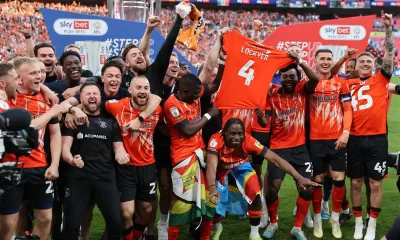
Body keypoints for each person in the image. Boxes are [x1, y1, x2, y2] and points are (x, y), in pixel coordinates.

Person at [206, 118, 319, 240]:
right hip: (220, 169)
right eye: (232, 133)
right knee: (214, 201)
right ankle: (217, 226)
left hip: (240, 166)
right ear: (224, 133)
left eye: (240, 134)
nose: (237, 137)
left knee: (255, 190)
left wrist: (299, 177)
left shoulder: (249, 140)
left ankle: (254, 234)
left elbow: (276, 159)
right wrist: (212, 187)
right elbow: (211, 165)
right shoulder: (215, 140)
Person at [0, 57, 62, 240]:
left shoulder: (47, 98)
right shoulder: (7, 97)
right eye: (33, 73)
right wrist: (54, 109)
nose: (40, 76)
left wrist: (55, 164)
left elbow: (56, 133)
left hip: (39, 166)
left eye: (41, 72)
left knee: (45, 218)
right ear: (18, 77)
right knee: (9, 222)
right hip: (10, 167)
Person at [258, 59, 320, 240]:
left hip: (300, 148)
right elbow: (265, 122)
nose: (288, 80)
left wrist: (300, 61)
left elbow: (314, 78)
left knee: (307, 188)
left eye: (292, 76)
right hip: (278, 149)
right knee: (271, 190)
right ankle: (273, 222)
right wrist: (260, 116)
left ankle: (297, 227)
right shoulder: (273, 95)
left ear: (298, 78)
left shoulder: (302, 90)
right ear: (280, 78)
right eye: (285, 77)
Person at [346, 11, 394, 240]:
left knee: (375, 183)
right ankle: (358, 222)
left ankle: (371, 225)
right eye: (362, 62)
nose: (365, 64)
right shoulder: (348, 85)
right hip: (354, 139)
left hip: (377, 139)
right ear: (355, 67)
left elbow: (390, 55)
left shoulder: (381, 79)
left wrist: (387, 30)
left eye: (369, 62)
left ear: (374, 66)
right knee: (355, 183)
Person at [61, 82, 127, 240]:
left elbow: (118, 148)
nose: (92, 96)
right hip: (78, 179)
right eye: (88, 94)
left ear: (100, 98)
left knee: (116, 225)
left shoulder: (111, 122)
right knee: (71, 226)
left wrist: (122, 155)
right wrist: (72, 161)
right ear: (81, 98)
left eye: (95, 94)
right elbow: (64, 150)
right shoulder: (72, 121)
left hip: (105, 178)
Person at [163, 73, 222, 240]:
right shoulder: (171, 104)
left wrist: (223, 61)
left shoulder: (193, 92)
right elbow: (188, 131)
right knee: (181, 204)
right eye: (196, 94)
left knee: (209, 200)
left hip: (201, 155)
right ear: (184, 90)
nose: (198, 97)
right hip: (183, 159)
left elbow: (214, 86)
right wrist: (209, 115)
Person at [105, 75, 163, 240]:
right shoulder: (117, 106)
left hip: (148, 166)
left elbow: (158, 99)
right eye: (138, 87)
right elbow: (93, 105)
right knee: (126, 212)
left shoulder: (157, 109)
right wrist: (75, 110)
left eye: (146, 88)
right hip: (126, 167)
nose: (142, 91)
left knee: (147, 209)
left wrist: (140, 119)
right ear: (129, 90)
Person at [308, 48, 354, 239]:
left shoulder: (341, 83)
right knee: (317, 181)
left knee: (339, 179)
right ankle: (318, 218)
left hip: (337, 139)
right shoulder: (309, 84)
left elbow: (348, 109)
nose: (325, 62)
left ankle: (335, 218)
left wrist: (345, 133)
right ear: (315, 61)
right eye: (322, 59)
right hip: (315, 140)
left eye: (329, 59)